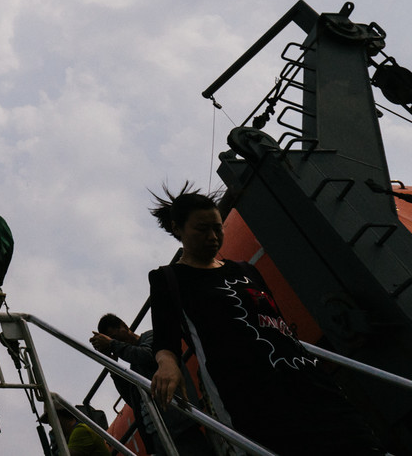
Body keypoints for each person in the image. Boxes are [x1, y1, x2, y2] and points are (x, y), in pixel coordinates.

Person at [147, 184, 383, 455]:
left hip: (306, 377)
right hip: (250, 393)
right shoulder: (168, 278)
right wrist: (167, 364)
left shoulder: (245, 270)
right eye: (202, 229)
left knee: (360, 442)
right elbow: (165, 338)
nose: (212, 237)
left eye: (218, 228)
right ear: (177, 229)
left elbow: (277, 322)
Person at [90, 314, 210, 456]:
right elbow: (132, 399)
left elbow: (148, 355)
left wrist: (111, 344)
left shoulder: (153, 338)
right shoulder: (134, 366)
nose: (117, 342)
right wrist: (112, 366)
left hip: (180, 426)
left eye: (115, 337)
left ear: (124, 326)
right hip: (157, 436)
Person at [43, 401, 110, 456]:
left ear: (58, 417)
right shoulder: (72, 436)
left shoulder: (81, 431)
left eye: (50, 420)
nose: (50, 424)